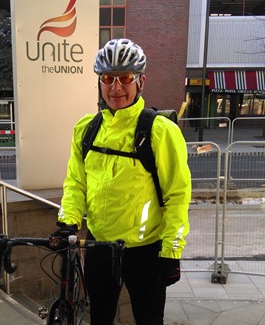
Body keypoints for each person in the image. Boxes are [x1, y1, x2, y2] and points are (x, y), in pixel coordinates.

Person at [56, 38, 191, 325]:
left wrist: (171, 251)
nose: (116, 87)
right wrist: (67, 221)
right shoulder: (86, 129)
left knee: (149, 320)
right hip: (99, 247)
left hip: (146, 251)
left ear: (140, 81)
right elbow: (76, 183)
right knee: (100, 319)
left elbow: (177, 195)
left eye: (125, 78)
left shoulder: (160, 130)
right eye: (107, 78)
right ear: (100, 82)